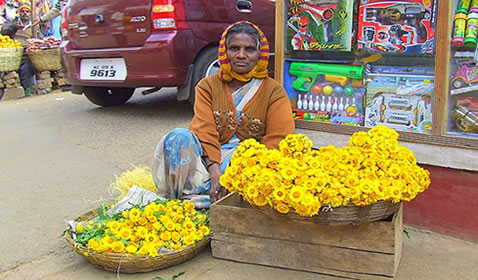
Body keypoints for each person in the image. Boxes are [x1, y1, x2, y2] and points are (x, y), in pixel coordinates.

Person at [152, 21, 295, 207]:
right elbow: (204, 130)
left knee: (251, 159)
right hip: (208, 159)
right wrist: (214, 170)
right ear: (224, 51)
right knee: (177, 137)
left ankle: (205, 199)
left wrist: (238, 169)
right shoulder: (208, 86)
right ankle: (190, 197)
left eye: (249, 49)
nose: (241, 55)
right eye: (234, 48)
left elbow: (278, 138)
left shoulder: (273, 91)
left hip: (245, 164)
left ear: (260, 54)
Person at [14, 4, 35, 96]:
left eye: (27, 11)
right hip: (15, 53)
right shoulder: (14, 25)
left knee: (27, 67)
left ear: (30, 14)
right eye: (23, 11)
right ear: (19, 13)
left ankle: (28, 89)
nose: (25, 13)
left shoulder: (34, 26)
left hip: (28, 54)